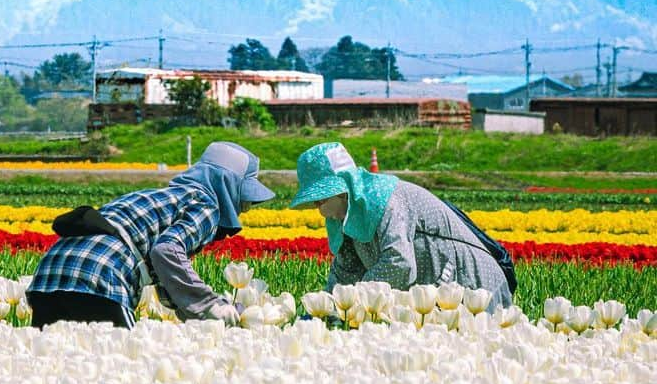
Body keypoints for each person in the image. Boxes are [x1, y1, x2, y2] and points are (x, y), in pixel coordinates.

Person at [26, 140, 275, 328]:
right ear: (227, 186)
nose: (245, 207)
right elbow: (166, 251)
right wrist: (210, 304)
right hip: (99, 279)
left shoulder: (161, 198)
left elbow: (167, 276)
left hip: (48, 277)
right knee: (119, 365)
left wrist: (203, 313)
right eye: (245, 199)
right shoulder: (206, 205)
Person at [291, 141, 514, 309]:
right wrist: (319, 313)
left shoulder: (385, 200)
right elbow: (345, 272)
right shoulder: (345, 217)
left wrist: (356, 301)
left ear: (343, 190)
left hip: (474, 285)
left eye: (320, 200)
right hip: (439, 294)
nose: (318, 209)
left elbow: (399, 262)